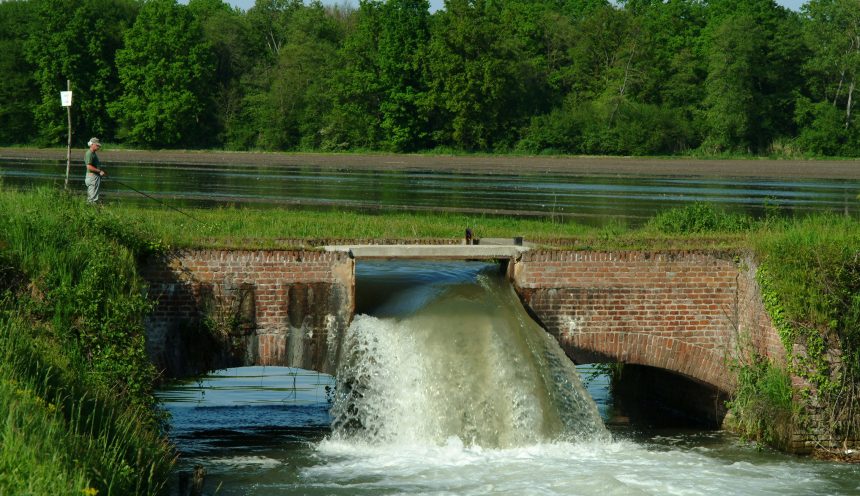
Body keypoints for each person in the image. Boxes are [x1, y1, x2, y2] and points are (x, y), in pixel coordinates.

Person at [84, 137, 105, 203]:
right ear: (92, 144)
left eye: (99, 145)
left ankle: (91, 209)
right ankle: (90, 210)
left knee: (93, 196)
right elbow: (89, 167)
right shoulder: (89, 153)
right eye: (97, 145)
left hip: (94, 177)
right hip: (92, 177)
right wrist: (99, 171)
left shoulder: (93, 153)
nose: (98, 147)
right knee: (92, 198)